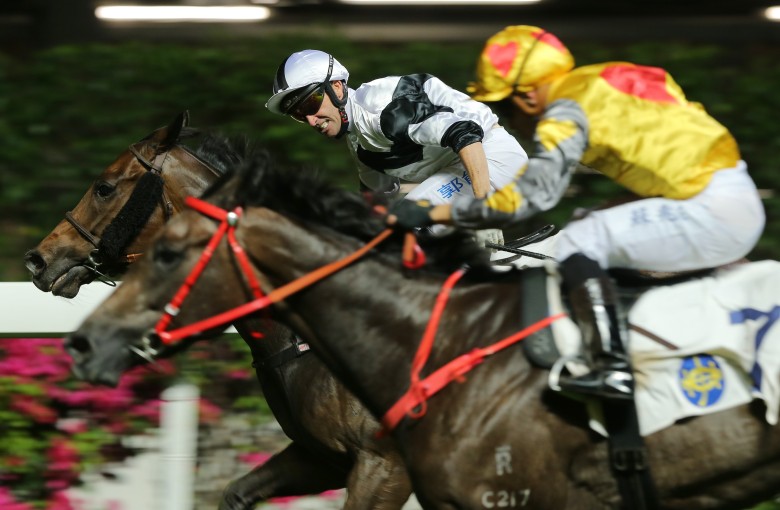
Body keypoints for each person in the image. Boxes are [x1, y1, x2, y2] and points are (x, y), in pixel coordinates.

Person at [388, 25, 766, 400]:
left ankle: (612, 367)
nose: (508, 120)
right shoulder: (601, 79)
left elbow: (532, 196)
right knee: (590, 218)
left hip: (709, 207)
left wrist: (436, 215)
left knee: (577, 242)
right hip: (727, 189)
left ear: (528, 95)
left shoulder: (564, 114)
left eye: (503, 106)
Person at [265, 49, 529, 247]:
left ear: (336, 88)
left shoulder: (381, 111)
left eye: (311, 104)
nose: (311, 120)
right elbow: (376, 202)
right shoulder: (359, 139)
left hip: (493, 157)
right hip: (460, 167)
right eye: (299, 114)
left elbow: (467, 136)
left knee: (405, 224)